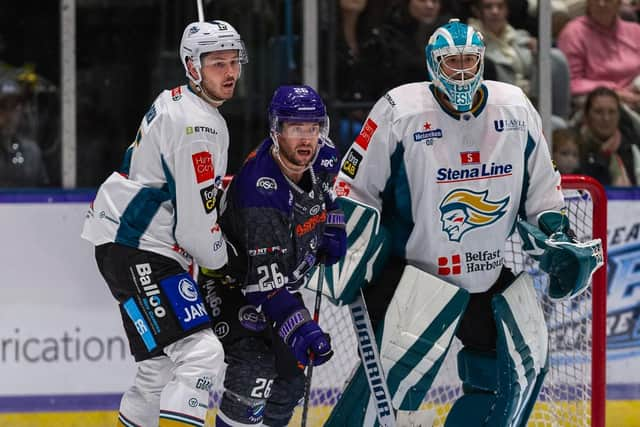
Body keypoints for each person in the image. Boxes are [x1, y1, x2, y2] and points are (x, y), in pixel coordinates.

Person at [324, 19, 602, 426]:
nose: (461, 73)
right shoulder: (401, 111)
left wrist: (557, 235)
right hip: (414, 276)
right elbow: (353, 188)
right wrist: (345, 246)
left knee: (522, 368)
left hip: (484, 275)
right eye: (451, 63)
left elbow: (543, 193)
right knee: (389, 391)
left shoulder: (515, 109)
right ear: (432, 65)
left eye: (470, 62)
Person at [81, 20, 248, 427]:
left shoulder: (177, 100)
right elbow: (195, 228)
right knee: (200, 353)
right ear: (193, 67)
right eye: (217, 64)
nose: (229, 73)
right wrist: (228, 262)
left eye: (234, 62)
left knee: (157, 368)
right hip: (139, 245)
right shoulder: (199, 126)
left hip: (121, 242)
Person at [197, 85, 346, 427]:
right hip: (232, 285)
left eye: (313, 128)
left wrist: (333, 225)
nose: (306, 139)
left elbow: (328, 196)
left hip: (279, 285)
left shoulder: (324, 157)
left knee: (291, 380)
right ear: (276, 131)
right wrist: (302, 327)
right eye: (296, 129)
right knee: (255, 367)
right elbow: (263, 287)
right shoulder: (259, 192)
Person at [557, 0, 640, 112]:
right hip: (597, 105)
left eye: (607, 0)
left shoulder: (635, 31)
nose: (601, 3)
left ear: (619, 3)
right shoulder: (573, 33)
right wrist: (614, 93)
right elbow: (572, 83)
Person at [580, 86, 640, 185]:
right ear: (586, 115)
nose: (606, 118)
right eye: (598, 112)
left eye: (612, 112)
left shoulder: (632, 149)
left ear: (619, 115)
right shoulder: (574, 147)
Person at [0, 71, 48, 187]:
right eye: (2, 106)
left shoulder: (32, 152)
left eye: (15, 106)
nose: (9, 114)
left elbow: (45, 196)